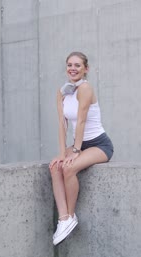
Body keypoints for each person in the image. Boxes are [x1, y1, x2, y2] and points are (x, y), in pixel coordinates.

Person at [49, 51, 114, 246]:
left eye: (78, 65)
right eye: (70, 64)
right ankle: (64, 219)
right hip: (80, 144)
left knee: (69, 168)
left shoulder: (85, 88)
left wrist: (75, 151)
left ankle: (71, 214)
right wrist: (62, 153)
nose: (73, 68)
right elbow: (62, 123)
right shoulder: (62, 92)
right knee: (55, 166)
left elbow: (82, 120)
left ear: (86, 69)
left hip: (98, 144)